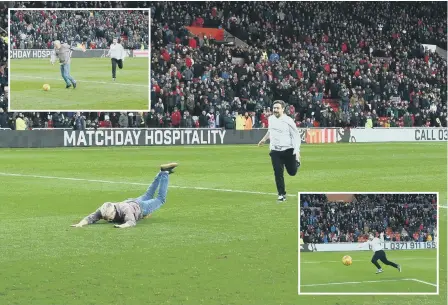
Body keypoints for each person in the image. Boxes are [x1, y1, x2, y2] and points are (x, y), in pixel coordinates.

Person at [70, 163, 178, 229]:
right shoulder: (104, 209)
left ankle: (164, 173)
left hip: (139, 207)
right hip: (132, 202)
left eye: (109, 217)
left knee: (160, 199)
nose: (107, 219)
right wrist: (81, 223)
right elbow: (91, 217)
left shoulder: (125, 210)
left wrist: (122, 226)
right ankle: (161, 172)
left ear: (114, 211)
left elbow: (131, 222)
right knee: (148, 194)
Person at [258, 100, 301, 202]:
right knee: (278, 172)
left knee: (292, 172)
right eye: (274, 108)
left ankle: (297, 163)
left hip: (288, 150)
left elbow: (296, 136)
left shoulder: (288, 120)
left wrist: (297, 152)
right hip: (275, 151)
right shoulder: (271, 119)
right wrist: (264, 139)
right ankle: (281, 194)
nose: (275, 110)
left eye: (277, 108)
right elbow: (270, 131)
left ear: (283, 109)